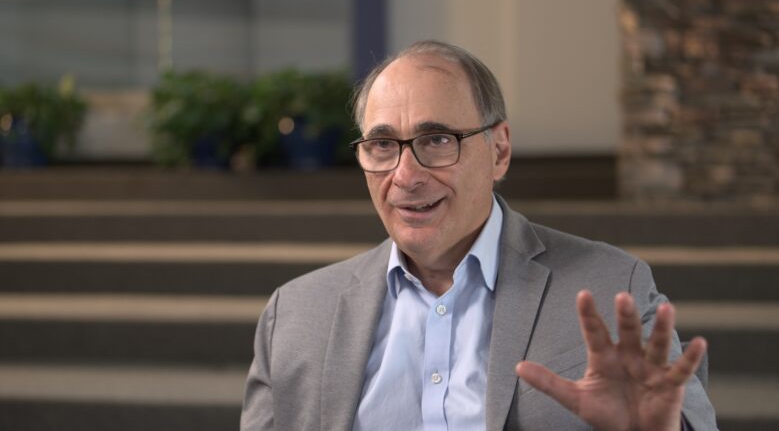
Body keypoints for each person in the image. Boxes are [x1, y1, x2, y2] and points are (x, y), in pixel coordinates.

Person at [241, 40, 717, 430]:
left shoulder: (614, 286)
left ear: (500, 151)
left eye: (437, 140)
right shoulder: (295, 316)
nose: (405, 175)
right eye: (383, 145)